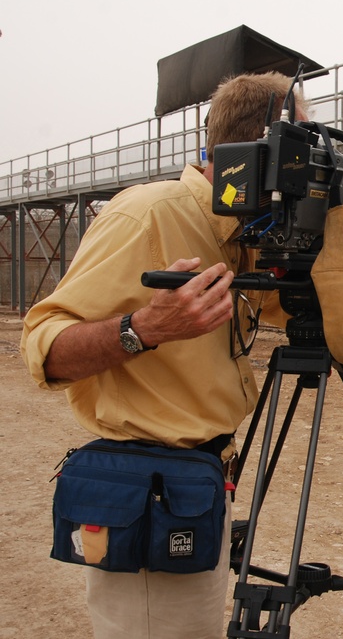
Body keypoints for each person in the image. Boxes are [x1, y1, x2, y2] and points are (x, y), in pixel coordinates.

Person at [20, 72, 300, 637]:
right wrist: (143, 328)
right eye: (305, 145)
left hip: (201, 478)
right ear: (265, 149)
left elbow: (297, 314)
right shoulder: (148, 214)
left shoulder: (246, 230)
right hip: (149, 487)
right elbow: (44, 348)